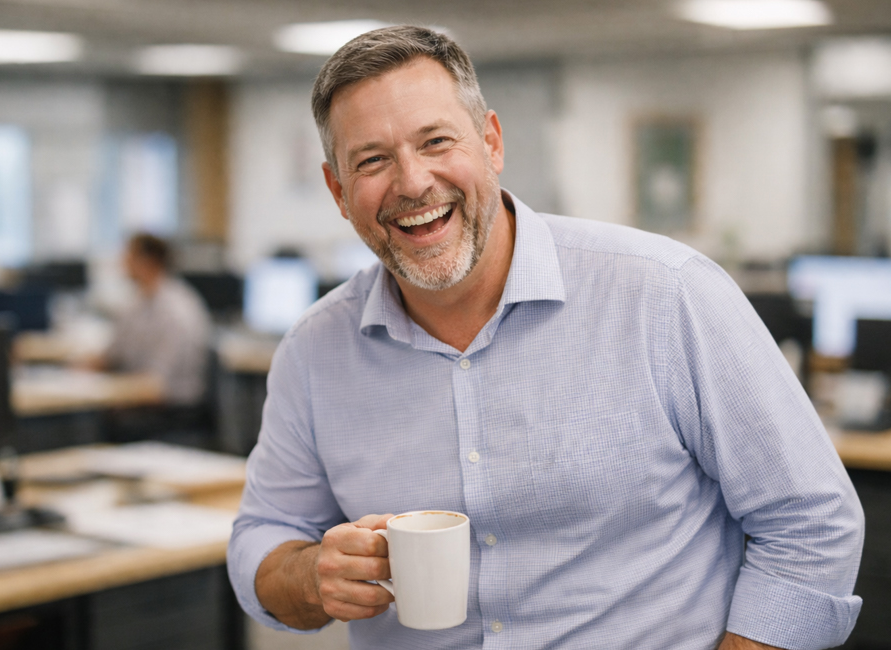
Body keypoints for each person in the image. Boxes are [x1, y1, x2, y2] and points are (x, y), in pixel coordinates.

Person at [228, 26, 863, 650]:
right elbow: (265, 534)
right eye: (372, 160)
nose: (413, 182)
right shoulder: (314, 351)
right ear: (339, 191)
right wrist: (310, 579)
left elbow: (812, 522)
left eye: (435, 141)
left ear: (491, 143)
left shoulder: (667, 294)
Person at [99, 233, 212, 407]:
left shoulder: (176, 310)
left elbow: (156, 384)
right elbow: (114, 356)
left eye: (127, 255)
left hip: (172, 407)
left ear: (147, 261)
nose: (121, 262)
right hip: (140, 395)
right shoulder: (136, 303)